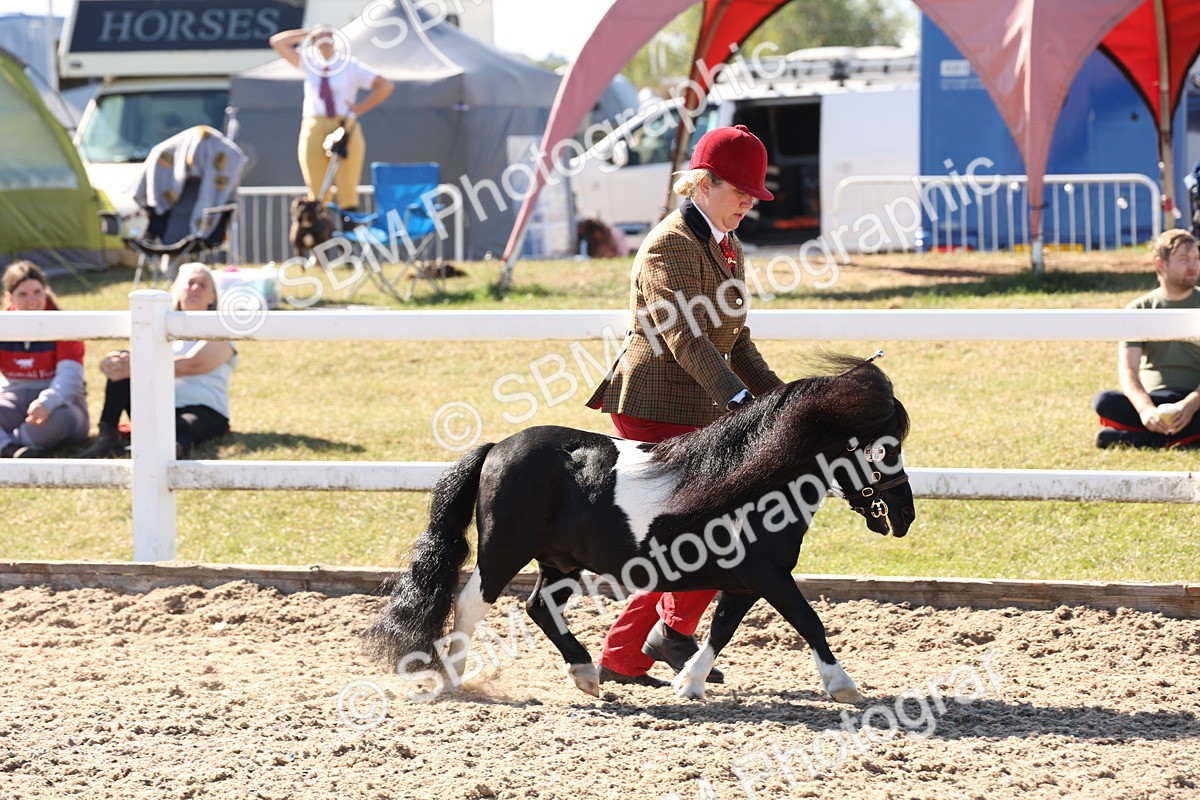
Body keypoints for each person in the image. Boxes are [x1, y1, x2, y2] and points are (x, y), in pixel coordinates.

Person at [585, 124, 785, 686]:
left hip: (703, 400)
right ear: (703, 181)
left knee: (700, 533)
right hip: (655, 399)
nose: (749, 201)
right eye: (740, 190)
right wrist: (742, 402)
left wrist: (779, 400)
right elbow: (685, 339)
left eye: (754, 194)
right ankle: (667, 635)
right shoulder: (669, 244)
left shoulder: (728, 244)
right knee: (710, 528)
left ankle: (633, 654)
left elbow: (735, 340)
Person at [76, 264, 237, 459]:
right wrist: (112, 364)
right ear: (178, 290)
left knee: (182, 426)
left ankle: (168, 451)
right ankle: (107, 438)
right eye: (190, 283)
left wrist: (136, 367)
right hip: (158, 405)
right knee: (123, 359)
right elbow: (134, 360)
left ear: (212, 296)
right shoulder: (159, 327)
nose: (195, 288)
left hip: (203, 410)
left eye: (202, 285)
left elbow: (194, 364)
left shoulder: (219, 330)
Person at [1092, 228, 1200, 449]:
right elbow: (1128, 371)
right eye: (1183, 259)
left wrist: (1189, 406)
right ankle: (1179, 439)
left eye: (1196, 258)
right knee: (1104, 401)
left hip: (1196, 401)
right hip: (1156, 400)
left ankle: (1142, 440)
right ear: (1161, 265)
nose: (1193, 265)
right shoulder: (1138, 308)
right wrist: (1145, 410)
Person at [269, 26, 393, 216]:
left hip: (344, 125)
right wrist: (309, 32)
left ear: (335, 40)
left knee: (347, 186)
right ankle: (320, 235)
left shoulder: (350, 65)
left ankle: (348, 234)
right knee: (318, 188)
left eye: (328, 36)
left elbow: (385, 85)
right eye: (320, 37)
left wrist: (360, 108)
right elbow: (277, 42)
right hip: (315, 123)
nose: (324, 40)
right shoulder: (308, 61)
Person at [0, 261, 89, 458]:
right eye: (22, 294)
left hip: (61, 404)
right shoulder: (3, 324)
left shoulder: (64, 324)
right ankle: (13, 450)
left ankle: (8, 445)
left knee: (62, 420)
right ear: (9, 297)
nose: (32, 300)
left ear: (45, 291)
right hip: (14, 399)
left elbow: (70, 376)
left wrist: (48, 402)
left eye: (37, 292)